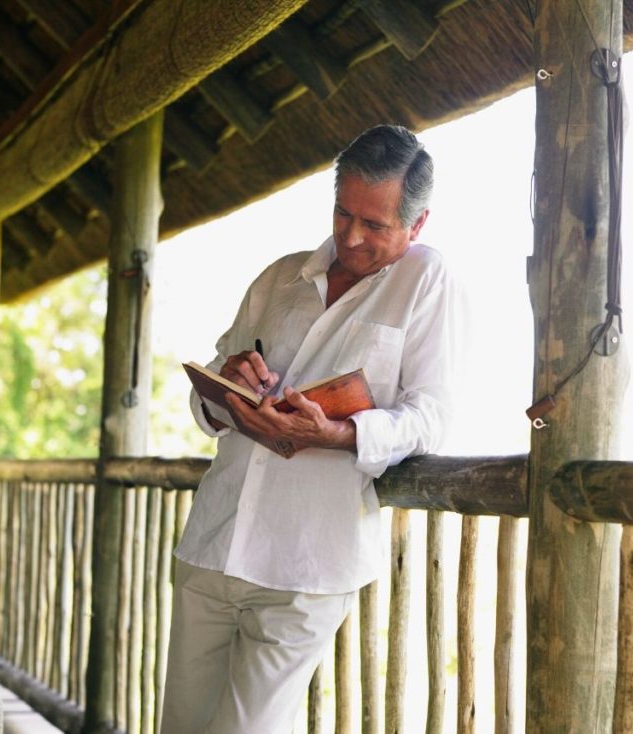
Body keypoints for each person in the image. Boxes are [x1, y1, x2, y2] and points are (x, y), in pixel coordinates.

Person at [160, 124, 458, 733]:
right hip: (215, 543)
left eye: (374, 225)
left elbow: (432, 417)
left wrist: (340, 435)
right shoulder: (279, 278)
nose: (350, 236)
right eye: (343, 213)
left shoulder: (425, 281)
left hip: (306, 565)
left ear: (417, 224)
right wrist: (230, 385)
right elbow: (206, 410)